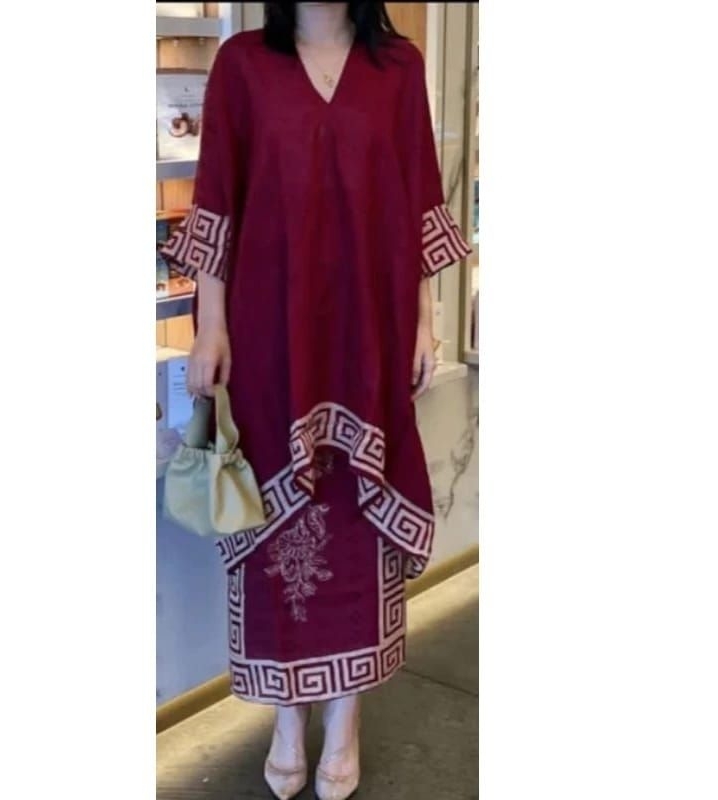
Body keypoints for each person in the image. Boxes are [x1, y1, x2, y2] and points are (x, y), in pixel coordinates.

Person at [159, 2, 471, 798]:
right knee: (273, 524)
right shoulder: (243, 66)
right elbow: (218, 200)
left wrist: (424, 321)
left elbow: (416, 195)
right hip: (267, 338)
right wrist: (210, 327)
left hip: (369, 335)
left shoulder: (397, 68)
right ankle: (287, 718)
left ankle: (344, 717)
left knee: (357, 523)